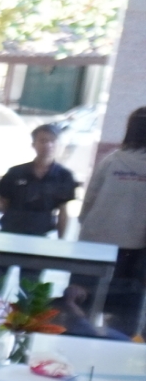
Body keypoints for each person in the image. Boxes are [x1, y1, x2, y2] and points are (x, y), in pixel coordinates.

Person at [75, 106, 146, 334]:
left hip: (95, 241)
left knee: (84, 296)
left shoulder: (111, 161)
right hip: (133, 247)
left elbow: (89, 200)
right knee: (125, 303)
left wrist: (86, 225)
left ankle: (78, 334)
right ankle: (115, 338)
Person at [0, 124, 80, 294]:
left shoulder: (64, 176)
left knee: (29, 291)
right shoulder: (15, 172)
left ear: (59, 144)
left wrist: (62, 243)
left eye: (52, 141)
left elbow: (63, 213)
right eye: (43, 141)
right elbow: (2, 207)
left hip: (38, 239)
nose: (48, 145)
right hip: (8, 236)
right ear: (33, 144)